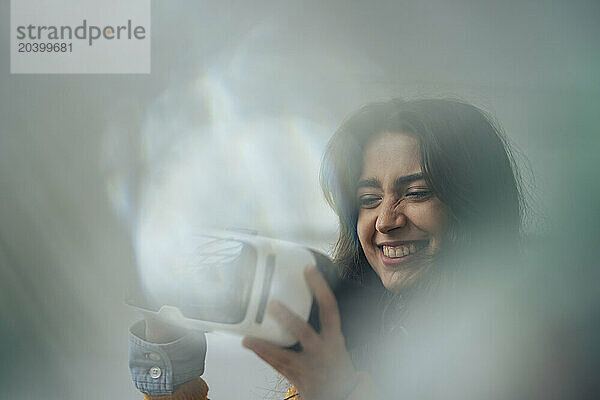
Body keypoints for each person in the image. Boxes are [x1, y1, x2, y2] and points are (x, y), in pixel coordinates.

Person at [129, 98, 524, 399]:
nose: (386, 220)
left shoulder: (531, 350)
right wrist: (167, 350)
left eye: (416, 192)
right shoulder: (352, 341)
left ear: (476, 208)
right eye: (369, 200)